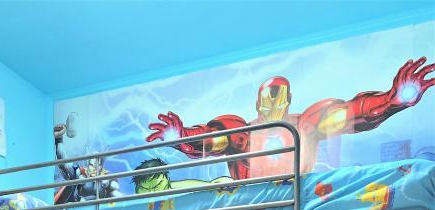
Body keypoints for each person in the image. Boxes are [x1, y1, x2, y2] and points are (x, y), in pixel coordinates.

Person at [146, 58, 435, 179]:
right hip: (251, 201)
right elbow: (214, 139)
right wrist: (183, 137)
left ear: (289, 99)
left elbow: (350, 114)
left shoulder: (305, 125)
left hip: (295, 197)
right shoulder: (242, 133)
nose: (273, 100)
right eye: (268, 95)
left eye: (279, 94)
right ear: (257, 101)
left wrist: (390, 100)